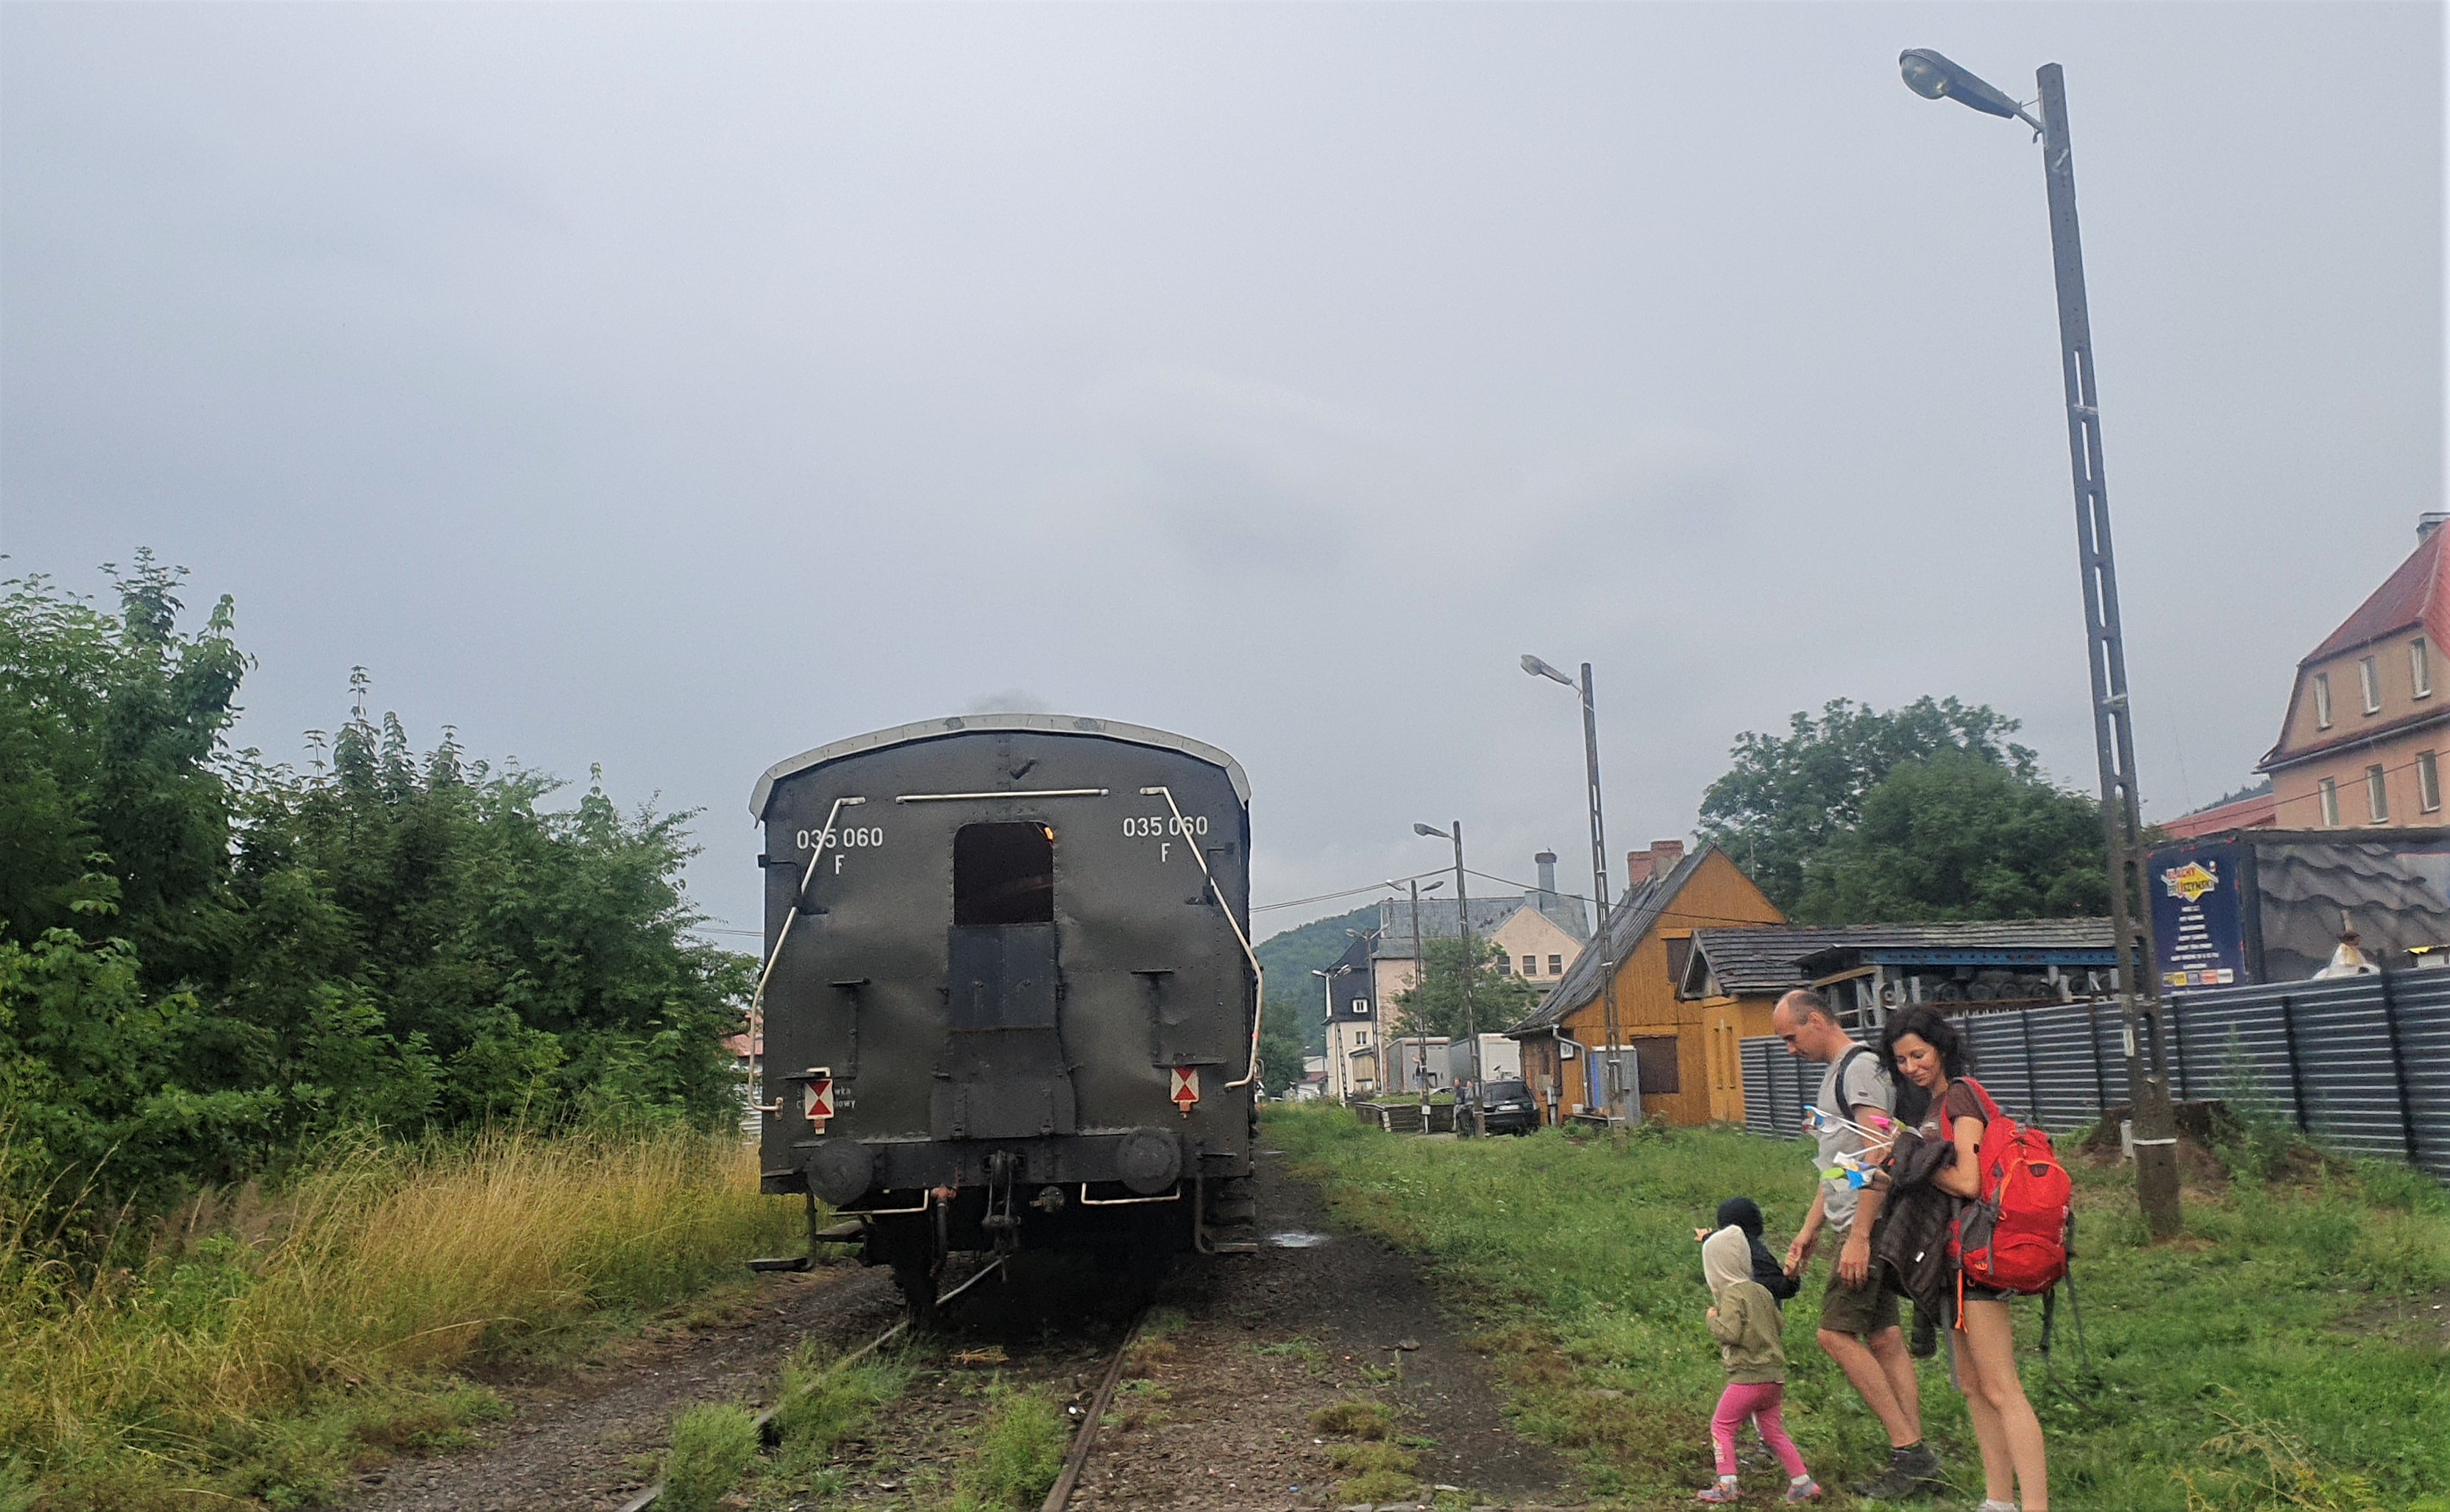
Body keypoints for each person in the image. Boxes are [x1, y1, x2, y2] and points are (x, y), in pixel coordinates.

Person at [1772, 988, 1942, 1498]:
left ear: (1817, 1020)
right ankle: (1916, 1457)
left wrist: (1861, 1236)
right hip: (1857, 1221)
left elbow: (1879, 1150)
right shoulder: (1837, 1074)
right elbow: (1839, 1166)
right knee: (1884, 1338)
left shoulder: (1860, 1069)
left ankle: (1910, 1450)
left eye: (1792, 1037)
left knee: (1834, 1334)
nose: (1790, 1049)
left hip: (1871, 1224)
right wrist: (1810, 1229)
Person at [1880, 1006, 2050, 1512]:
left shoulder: (1960, 1096)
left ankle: (2035, 1505)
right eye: (1901, 1060)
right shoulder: (1932, 1106)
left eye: (1919, 1054)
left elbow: (1970, 1182)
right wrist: (1896, 1166)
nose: (1911, 1067)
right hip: (1952, 1259)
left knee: (2002, 1387)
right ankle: (1998, 1500)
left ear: (1941, 1047)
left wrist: (1912, 1160)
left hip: (1978, 1255)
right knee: (1974, 1387)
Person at [1697, 1221, 1822, 1504]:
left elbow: (1730, 1333)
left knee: (1721, 1427)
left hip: (1747, 1378)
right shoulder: (1762, 1291)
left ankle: (1727, 1484)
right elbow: (1779, 1323)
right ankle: (1802, 1482)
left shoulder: (1732, 1296)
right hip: (1773, 1377)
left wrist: (1713, 1319)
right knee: (1773, 1432)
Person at [1714, 1196, 1800, 1307]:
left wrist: (1707, 1236)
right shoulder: (1755, 1255)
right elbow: (1781, 1288)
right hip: (1759, 1315)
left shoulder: (1721, 1250)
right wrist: (1792, 1278)